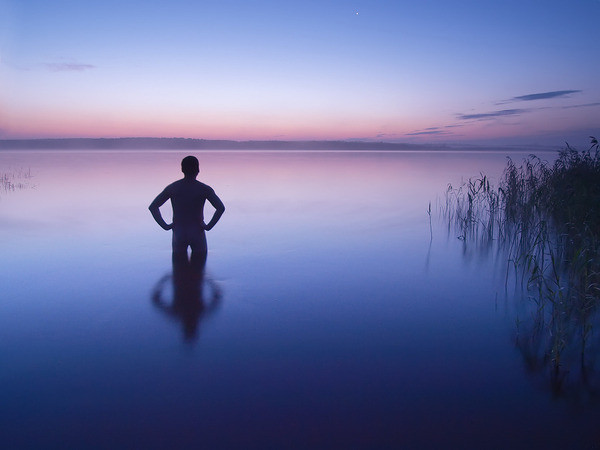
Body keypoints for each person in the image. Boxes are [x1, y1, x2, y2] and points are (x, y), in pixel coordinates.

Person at [149, 155, 225, 262]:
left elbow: (153, 207)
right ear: (198, 169)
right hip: (197, 230)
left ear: (182, 169)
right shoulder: (204, 189)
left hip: (179, 231)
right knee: (198, 268)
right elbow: (220, 208)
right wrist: (208, 226)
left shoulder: (173, 187)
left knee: (179, 272)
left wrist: (165, 226)